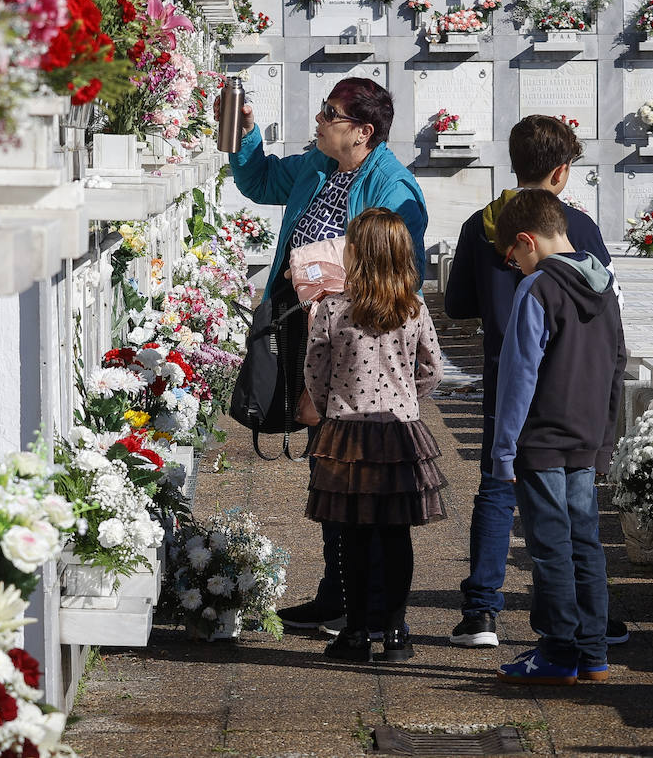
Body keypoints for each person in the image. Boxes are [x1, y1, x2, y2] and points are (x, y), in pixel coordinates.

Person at [218, 76, 429, 635]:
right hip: (305, 330)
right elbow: (260, 181)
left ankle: (365, 606)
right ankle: (337, 591)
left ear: (362, 131)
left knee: (350, 480)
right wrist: (244, 138)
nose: (318, 120)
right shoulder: (316, 164)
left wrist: (319, 275)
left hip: (355, 348)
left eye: (330, 113)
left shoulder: (391, 186)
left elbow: (400, 275)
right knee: (324, 466)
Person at [443, 115, 626, 649]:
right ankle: (592, 621)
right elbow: (601, 304)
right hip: (575, 389)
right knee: (574, 515)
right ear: (562, 172)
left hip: (509, 376)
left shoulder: (481, 223)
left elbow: (455, 305)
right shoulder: (579, 228)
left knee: (498, 489)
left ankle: (482, 611)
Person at [489, 190, 627, 685]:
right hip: (587, 437)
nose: (516, 269)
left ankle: (556, 652)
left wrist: (503, 449)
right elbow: (617, 367)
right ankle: (592, 653)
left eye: (513, 258)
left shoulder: (538, 289)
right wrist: (605, 440)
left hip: (542, 438)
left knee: (549, 547)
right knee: (585, 543)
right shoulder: (606, 286)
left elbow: (519, 376)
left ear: (527, 241)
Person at [303, 208, 446, 662]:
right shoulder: (414, 306)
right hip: (401, 430)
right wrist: (409, 398)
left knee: (352, 535)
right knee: (395, 532)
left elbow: (315, 370)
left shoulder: (332, 307)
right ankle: (396, 630)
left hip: (346, 432)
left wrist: (331, 406)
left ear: (356, 254)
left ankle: (358, 631)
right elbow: (433, 368)